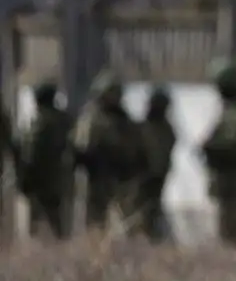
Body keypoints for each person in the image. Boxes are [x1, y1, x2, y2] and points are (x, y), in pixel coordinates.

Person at [73, 70, 146, 234]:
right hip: (98, 178)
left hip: (121, 179)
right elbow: (82, 149)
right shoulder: (92, 118)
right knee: (95, 224)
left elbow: (137, 149)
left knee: (130, 222)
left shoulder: (124, 121)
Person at [202, 58, 236, 247]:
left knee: (231, 219)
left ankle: (232, 252)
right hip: (223, 172)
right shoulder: (228, 108)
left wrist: (215, 146)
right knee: (225, 218)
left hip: (233, 171)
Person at [16, 78, 72, 239]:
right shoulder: (65, 121)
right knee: (60, 228)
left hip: (42, 183)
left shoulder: (41, 124)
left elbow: (31, 154)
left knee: (39, 228)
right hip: (61, 181)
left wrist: (24, 179)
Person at [136, 85, 177, 242]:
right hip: (144, 177)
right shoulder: (146, 128)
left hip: (154, 176)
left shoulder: (162, 130)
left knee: (150, 209)